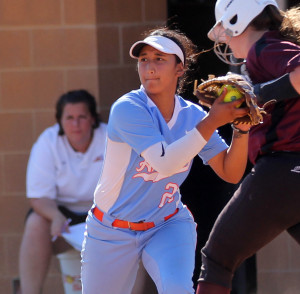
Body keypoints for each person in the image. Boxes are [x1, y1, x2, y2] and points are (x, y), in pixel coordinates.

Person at [81, 26, 251, 294]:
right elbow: (165, 162)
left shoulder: (193, 116)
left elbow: (230, 172)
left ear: (179, 69)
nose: (149, 66)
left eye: (160, 59)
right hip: (110, 229)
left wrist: (241, 130)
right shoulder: (128, 108)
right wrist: (214, 120)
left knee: (177, 289)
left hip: (167, 224)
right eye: (144, 59)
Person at [196, 1, 300, 293]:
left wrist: (257, 94)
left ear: (238, 20)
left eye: (227, 30)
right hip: (291, 172)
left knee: (217, 260)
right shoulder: (268, 49)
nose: (225, 39)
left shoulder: (266, 47)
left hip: (283, 170)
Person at [18, 90, 107, 294]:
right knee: (35, 223)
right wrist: (55, 217)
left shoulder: (111, 138)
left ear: (92, 119)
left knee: (135, 230)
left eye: (82, 117)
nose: (75, 124)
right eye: (69, 118)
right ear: (60, 121)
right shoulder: (47, 142)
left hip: (103, 213)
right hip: (62, 215)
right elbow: (38, 197)